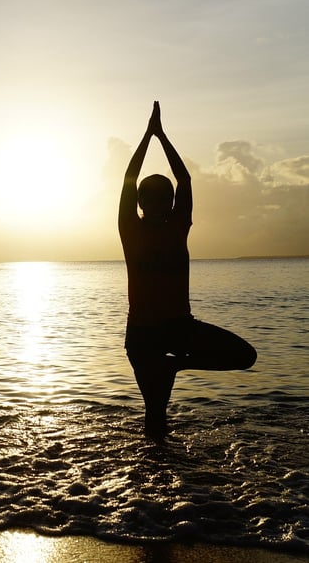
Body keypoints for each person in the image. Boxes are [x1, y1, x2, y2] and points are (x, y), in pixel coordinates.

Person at [118, 101, 256, 440]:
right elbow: (130, 177)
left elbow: (184, 179)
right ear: (141, 204)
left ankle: (177, 365)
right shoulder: (130, 229)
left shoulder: (177, 225)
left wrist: (160, 136)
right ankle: (157, 476)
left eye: (164, 200)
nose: (159, 205)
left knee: (245, 356)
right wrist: (149, 136)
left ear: (170, 203)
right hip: (143, 336)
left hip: (179, 329)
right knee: (155, 412)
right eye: (152, 200)